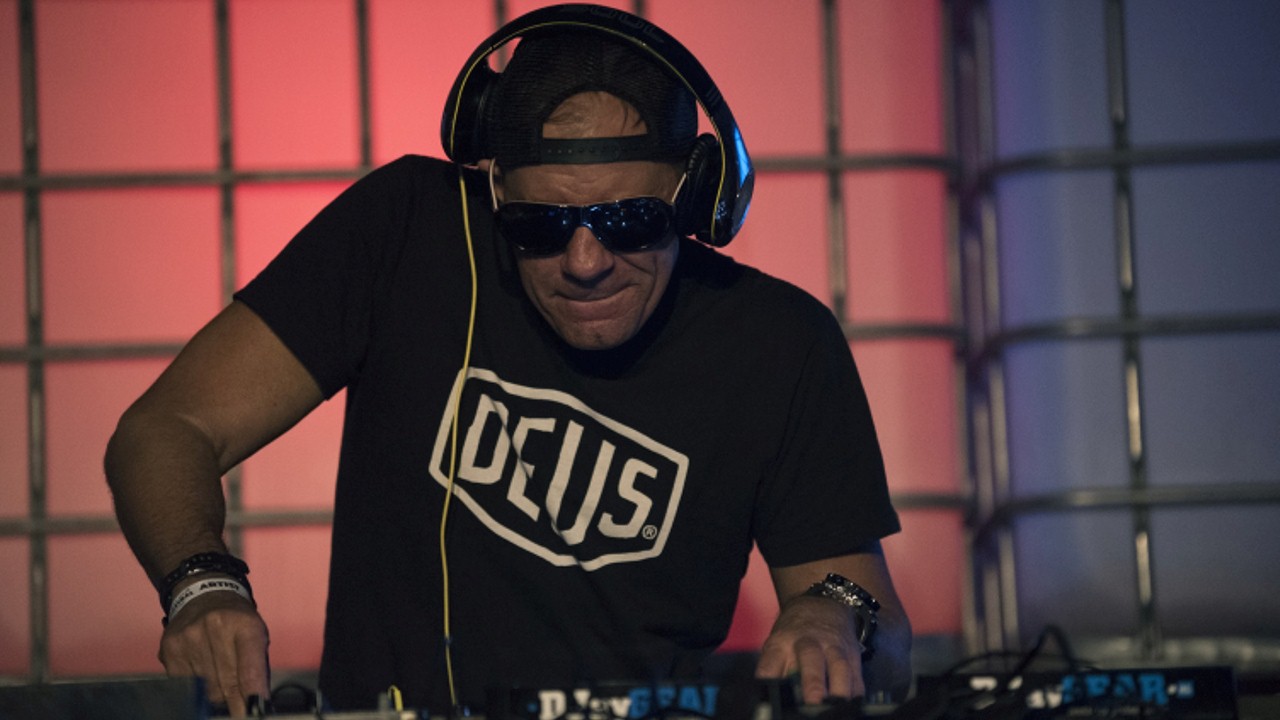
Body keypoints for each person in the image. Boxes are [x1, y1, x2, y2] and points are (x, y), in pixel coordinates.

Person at [105, 5, 912, 716]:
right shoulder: (406, 233)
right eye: (539, 225)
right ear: (494, 196)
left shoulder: (778, 342)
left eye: (629, 221)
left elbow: (886, 640)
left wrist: (835, 616)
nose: (585, 260)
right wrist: (202, 582)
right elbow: (165, 430)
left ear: (697, 196)